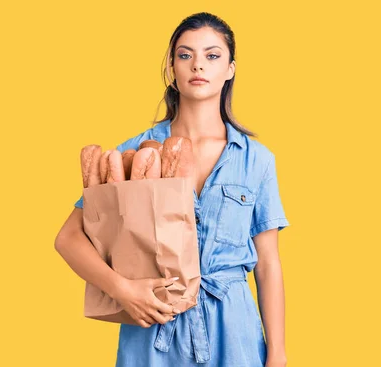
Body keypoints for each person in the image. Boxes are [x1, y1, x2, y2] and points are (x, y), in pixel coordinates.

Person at [54, 12, 290, 367]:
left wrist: (278, 353)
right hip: (152, 324)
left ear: (230, 69)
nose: (198, 66)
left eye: (212, 56)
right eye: (185, 55)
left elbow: (268, 264)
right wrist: (122, 289)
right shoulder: (135, 153)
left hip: (233, 329)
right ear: (172, 68)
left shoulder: (256, 160)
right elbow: (68, 238)